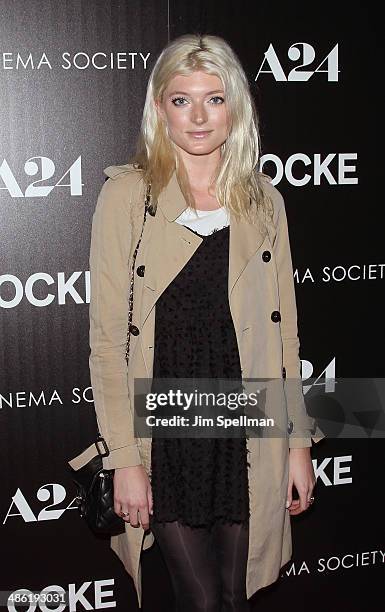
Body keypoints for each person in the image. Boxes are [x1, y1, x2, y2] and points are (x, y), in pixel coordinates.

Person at [69, 33, 324, 611]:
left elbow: (285, 335)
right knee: (200, 600)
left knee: (236, 594)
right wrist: (126, 459)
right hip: (167, 431)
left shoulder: (264, 202)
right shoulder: (127, 198)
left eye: (214, 98)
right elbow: (108, 343)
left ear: (236, 105)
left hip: (244, 426)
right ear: (159, 108)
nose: (199, 116)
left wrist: (298, 445)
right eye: (181, 100)